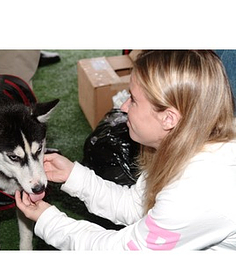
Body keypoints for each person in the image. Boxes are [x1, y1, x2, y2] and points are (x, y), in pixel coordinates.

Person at [15, 50, 236, 250]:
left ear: (168, 118)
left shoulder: (196, 191)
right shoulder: (186, 143)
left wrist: (48, 220)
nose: (123, 107)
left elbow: (122, 253)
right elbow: (136, 207)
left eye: (133, 99)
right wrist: (75, 176)